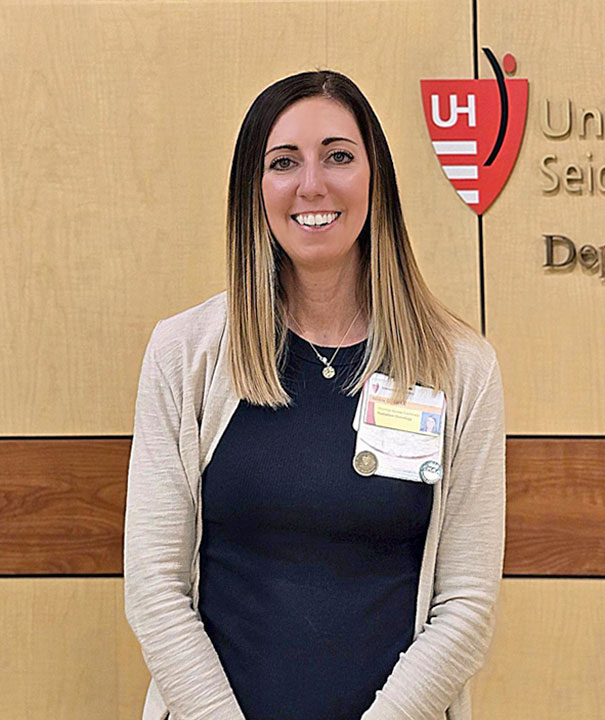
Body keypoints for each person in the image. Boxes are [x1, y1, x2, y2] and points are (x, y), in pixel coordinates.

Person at [123, 70, 505, 720]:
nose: (312, 185)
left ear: (375, 179)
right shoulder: (184, 355)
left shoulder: (462, 368)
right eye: (283, 162)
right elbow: (154, 590)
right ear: (254, 189)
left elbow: (465, 605)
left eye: (338, 156)